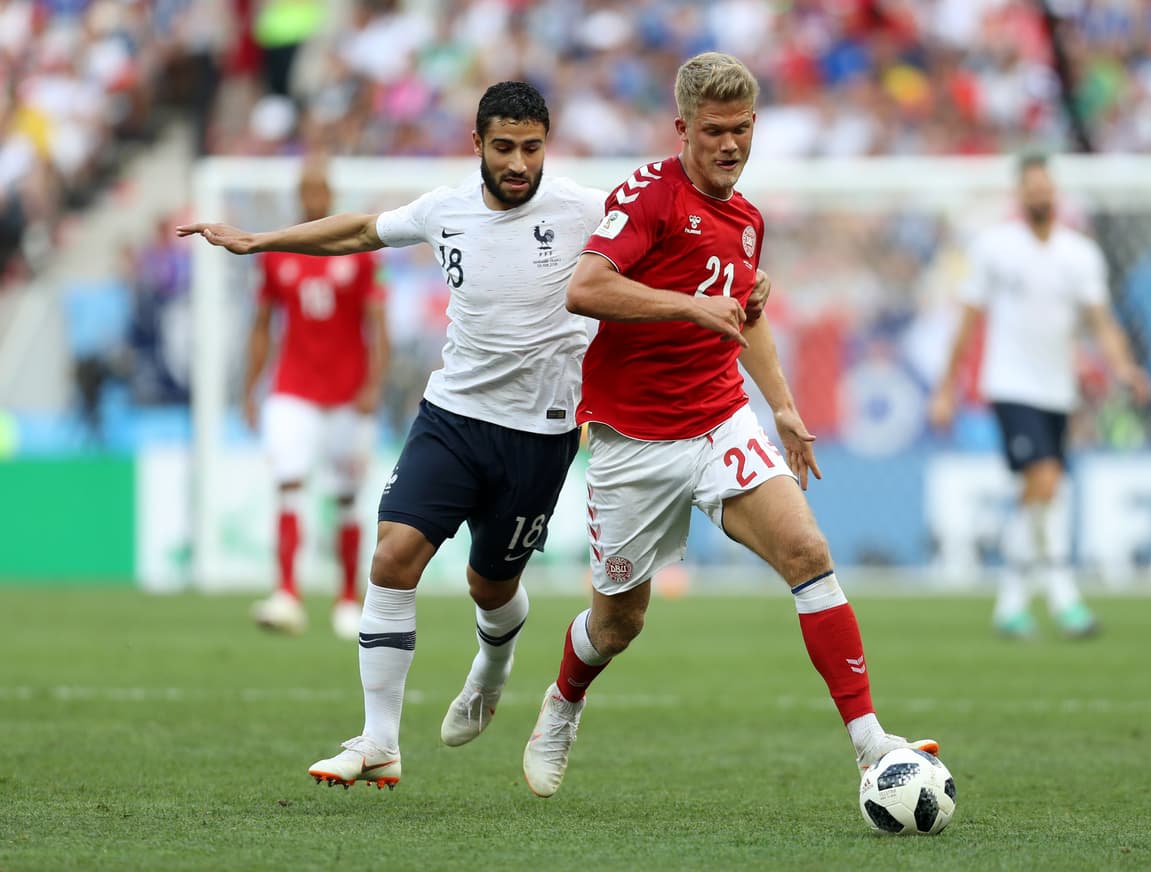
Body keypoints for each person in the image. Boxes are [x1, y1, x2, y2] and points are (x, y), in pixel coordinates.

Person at [180, 81, 770, 790]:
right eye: (504, 148)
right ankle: (377, 741)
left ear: (546, 144)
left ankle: (492, 668)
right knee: (393, 557)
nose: (519, 163)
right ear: (478, 147)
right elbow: (361, 230)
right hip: (451, 418)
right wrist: (259, 241)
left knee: (490, 587)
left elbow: (676, 246)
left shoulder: (590, 210)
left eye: (531, 148)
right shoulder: (445, 209)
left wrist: (745, 287)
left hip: (540, 437)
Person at [519, 51, 938, 800]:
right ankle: (563, 702)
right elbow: (584, 288)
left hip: (719, 420)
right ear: (683, 128)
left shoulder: (747, 218)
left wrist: (780, 404)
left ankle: (872, 745)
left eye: (743, 129)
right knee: (618, 625)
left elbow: (744, 316)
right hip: (634, 442)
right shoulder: (649, 196)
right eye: (715, 131)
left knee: (807, 550)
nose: (731, 146)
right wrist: (685, 305)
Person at [929, 153, 1151, 639]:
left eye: (1045, 187)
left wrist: (1124, 367)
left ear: (1056, 194)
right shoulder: (995, 247)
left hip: (1058, 389)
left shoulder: (1080, 254)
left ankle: (1016, 603)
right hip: (1010, 385)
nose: (1038, 194)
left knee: (1042, 492)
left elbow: (1101, 322)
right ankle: (1057, 595)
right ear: (1019, 194)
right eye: (1030, 187)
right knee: (1046, 480)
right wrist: (946, 388)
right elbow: (967, 321)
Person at [238, 155, 389, 641]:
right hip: (293, 389)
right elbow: (262, 326)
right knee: (289, 483)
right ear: (299, 196)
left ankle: (347, 597)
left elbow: (379, 325)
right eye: (306, 189)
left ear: (331, 194)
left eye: (320, 189)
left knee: (347, 497)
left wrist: (373, 385)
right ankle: (287, 594)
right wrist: (250, 388)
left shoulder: (359, 251)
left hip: (348, 392)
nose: (313, 197)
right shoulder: (279, 254)